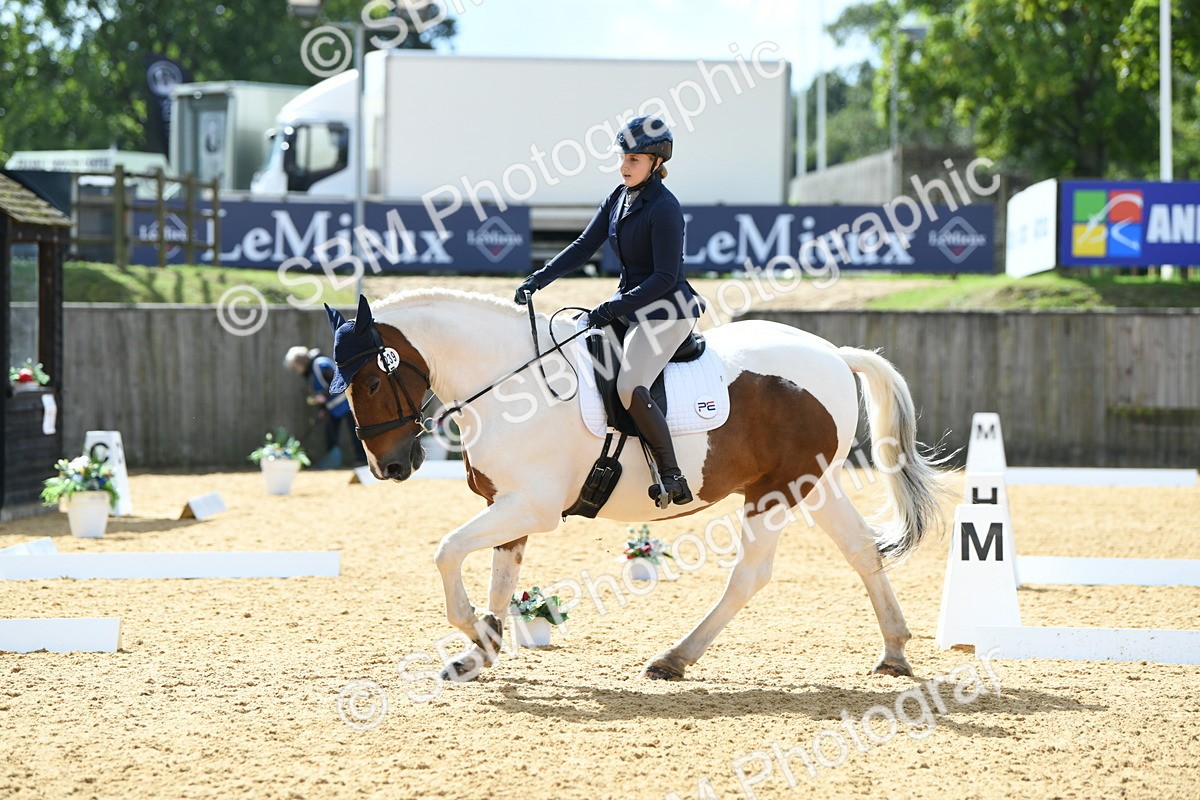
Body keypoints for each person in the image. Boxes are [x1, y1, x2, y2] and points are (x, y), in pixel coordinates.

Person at [513, 115, 706, 506]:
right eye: (623, 157)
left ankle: (672, 476)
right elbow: (585, 245)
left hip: (666, 311)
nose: (625, 166)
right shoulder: (619, 198)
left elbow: (665, 278)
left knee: (627, 385)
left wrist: (610, 307)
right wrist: (540, 278)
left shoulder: (665, 209)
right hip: (630, 307)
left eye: (635, 159)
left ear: (656, 162)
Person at [283, 345, 364, 468]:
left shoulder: (320, 364)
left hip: (347, 403)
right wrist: (322, 409)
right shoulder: (310, 372)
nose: (296, 370)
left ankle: (362, 459)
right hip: (333, 408)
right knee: (330, 434)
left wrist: (324, 396)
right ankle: (333, 460)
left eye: (295, 366)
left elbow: (337, 380)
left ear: (301, 361)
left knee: (354, 432)